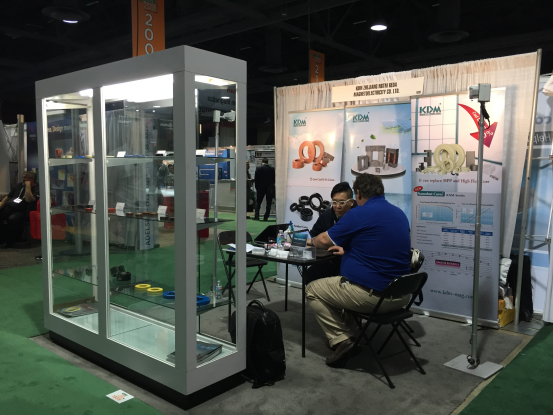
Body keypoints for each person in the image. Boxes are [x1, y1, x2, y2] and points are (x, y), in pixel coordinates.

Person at [307, 173, 411, 367]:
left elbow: (322, 240)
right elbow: (381, 245)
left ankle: (342, 339)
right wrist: (348, 250)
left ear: (359, 194)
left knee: (313, 289)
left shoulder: (358, 213)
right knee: (342, 284)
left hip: (374, 296)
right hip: (402, 293)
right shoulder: (399, 213)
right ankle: (353, 334)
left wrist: (308, 241)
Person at [303, 182, 357, 285]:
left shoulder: (359, 216)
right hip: (330, 259)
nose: (337, 206)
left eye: (342, 202)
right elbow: (313, 235)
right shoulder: (327, 215)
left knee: (339, 282)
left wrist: (347, 250)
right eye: (334, 202)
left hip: (351, 259)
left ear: (351, 202)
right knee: (310, 275)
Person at [0, 171, 39, 248]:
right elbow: (7, 198)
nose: (23, 180)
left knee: (13, 219)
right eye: (23, 178)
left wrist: (28, 186)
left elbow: (28, 199)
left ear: (32, 179)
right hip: (10, 208)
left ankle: (10, 241)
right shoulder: (19, 186)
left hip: (23, 211)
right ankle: (1, 239)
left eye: (26, 178)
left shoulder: (37, 188)